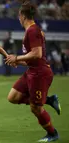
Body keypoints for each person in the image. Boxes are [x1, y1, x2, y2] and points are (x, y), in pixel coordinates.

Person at [5, 2, 61, 142]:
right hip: (32, 71)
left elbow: (37, 54)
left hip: (39, 74)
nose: (19, 18)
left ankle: (52, 133)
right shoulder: (31, 31)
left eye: (19, 16)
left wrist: (17, 57)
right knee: (13, 97)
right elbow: (34, 58)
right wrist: (17, 61)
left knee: (35, 108)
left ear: (22, 16)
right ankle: (49, 99)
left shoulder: (32, 30)